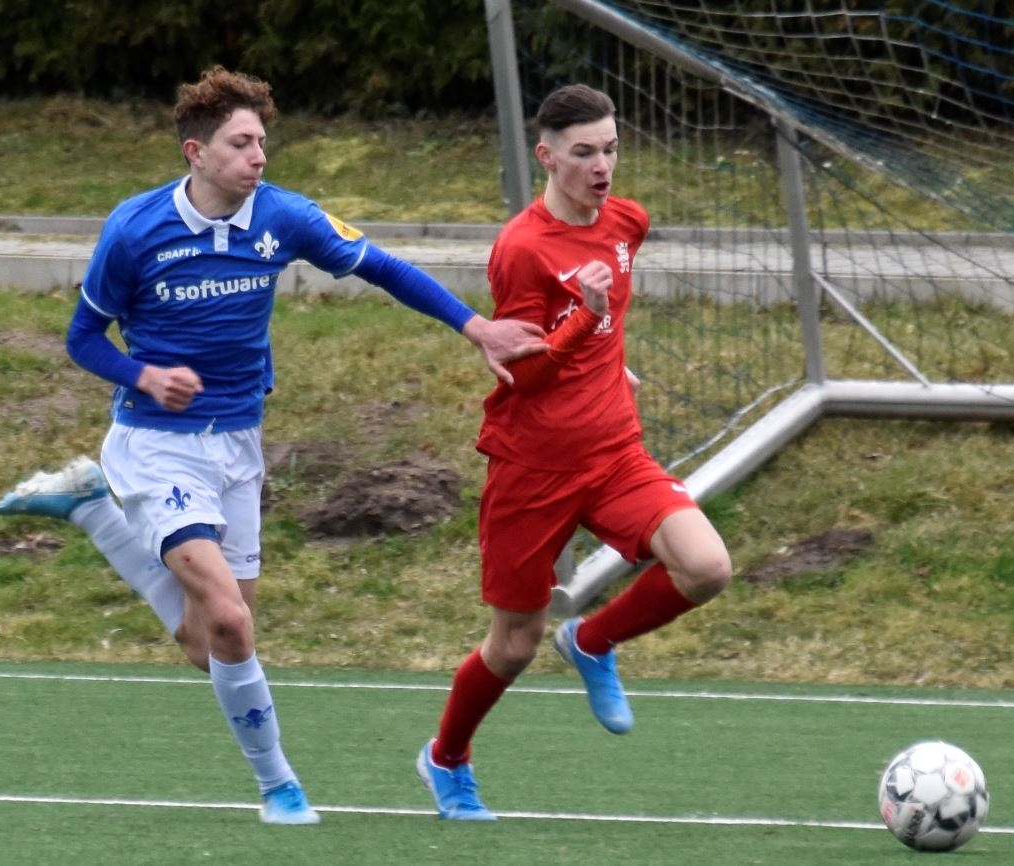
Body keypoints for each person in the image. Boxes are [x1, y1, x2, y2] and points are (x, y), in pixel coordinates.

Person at [47, 65, 545, 826]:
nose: (258, 157)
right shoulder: (134, 228)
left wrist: (476, 327)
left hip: (239, 445)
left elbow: (382, 267)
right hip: (156, 446)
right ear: (195, 152)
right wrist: (143, 375)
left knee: (209, 642)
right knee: (231, 621)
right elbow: (83, 338)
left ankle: (93, 513)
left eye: (261, 142)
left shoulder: (284, 216)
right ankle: (279, 785)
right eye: (240, 143)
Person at [415, 83, 733, 820]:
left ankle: (591, 641)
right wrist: (582, 322)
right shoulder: (521, 250)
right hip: (532, 467)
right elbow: (523, 375)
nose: (602, 167)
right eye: (584, 152)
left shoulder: (627, 222)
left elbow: (609, 317)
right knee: (513, 644)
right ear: (546, 156)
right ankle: (446, 758)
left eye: (610, 149)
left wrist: (609, 358)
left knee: (706, 566)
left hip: (614, 452)